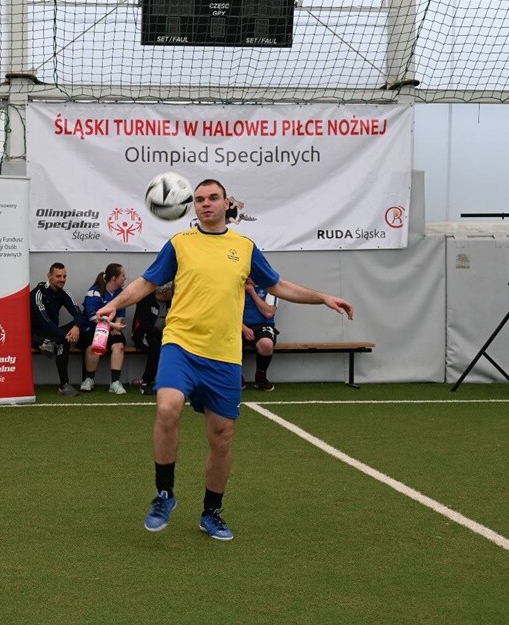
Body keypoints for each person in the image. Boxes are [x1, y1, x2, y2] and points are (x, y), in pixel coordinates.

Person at [96, 178, 354, 541]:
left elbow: (279, 285)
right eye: (200, 199)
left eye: (212, 198)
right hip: (181, 344)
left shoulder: (244, 247)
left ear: (225, 203)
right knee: (167, 407)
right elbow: (147, 282)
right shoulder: (180, 243)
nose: (205, 203)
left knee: (222, 435)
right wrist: (113, 303)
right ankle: (164, 494)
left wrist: (322, 297)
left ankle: (211, 512)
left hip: (224, 355)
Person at [30, 262, 82, 396]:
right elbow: (45, 321)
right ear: (49, 276)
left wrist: (76, 327)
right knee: (64, 341)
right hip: (35, 335)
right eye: (58, 276)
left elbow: (78, 313)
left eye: (64, 276)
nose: (62, 279)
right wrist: (65, 335)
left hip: (53, 334)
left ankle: (51, 344)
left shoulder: (64, 293)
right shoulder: (38, 293)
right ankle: (64, 385)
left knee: (80, 323)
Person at [77, 263, 128, 394]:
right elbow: (93, 317)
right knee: (95, 345)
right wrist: (113, 325)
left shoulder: (120, 293)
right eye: (123, 275)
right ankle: (89, 379)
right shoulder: (95, 291)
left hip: (109, 329)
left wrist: (117, 328)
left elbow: (120, 314)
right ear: (114, 278)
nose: (125, 278)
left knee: (119, 346)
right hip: (91, 329)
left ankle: (115, 382)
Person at [131, 283, 173, 395]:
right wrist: (162, 335)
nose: (174, 293)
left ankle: (171, 383)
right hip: (144, 334)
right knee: (156, 346)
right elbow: (144, 324)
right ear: (164, 292)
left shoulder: (171, 302)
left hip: (165, 335)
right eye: (172, 291)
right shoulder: (145, 300)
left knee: (175, 347)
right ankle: (146, 382)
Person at [242, 277, 279, 391]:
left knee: (266, 344)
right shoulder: (237, 289)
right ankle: (236, 376)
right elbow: (230, 312)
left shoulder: (270, 289)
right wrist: (243, 328)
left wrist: (252, 292)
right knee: (228, 342)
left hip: (263, 325)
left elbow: (268, 313)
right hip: (240, 325)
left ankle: (260, 376)